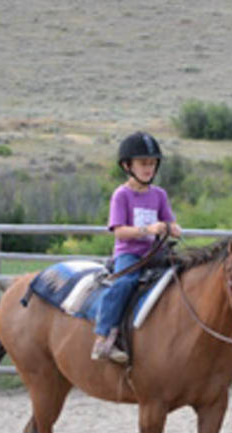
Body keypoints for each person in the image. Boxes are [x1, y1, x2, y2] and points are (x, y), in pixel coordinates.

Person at [91, 131, 182, 362]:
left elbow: (169, 220)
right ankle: (103, 338)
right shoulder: (121, 195)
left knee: (183, 276)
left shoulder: (159, 195)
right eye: (143, 163)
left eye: (152, 163)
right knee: (125, 283)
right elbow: (119, 231)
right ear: (127, 165)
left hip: (157, 253)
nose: (148, 168)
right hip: (129, 254)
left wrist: (173, 228)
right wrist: (148, 230)